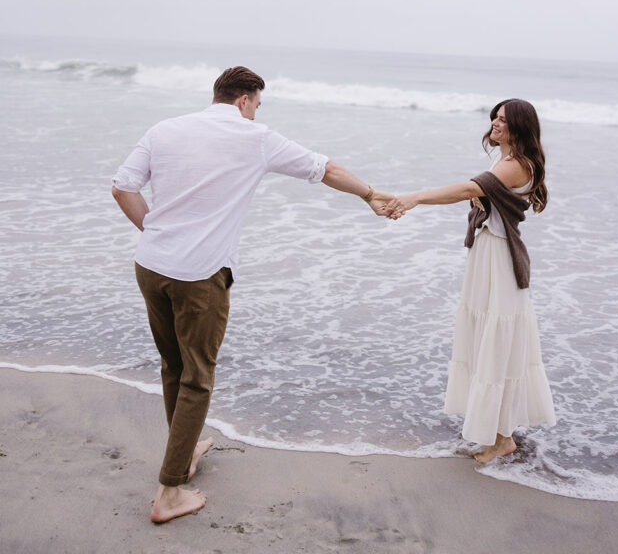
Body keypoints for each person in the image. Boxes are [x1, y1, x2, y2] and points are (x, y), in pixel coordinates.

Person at [111, 65, 396, 523]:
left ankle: (180, 456)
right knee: (198, 377)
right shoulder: (255, 137)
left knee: (174, 365)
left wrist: (155, 230)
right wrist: (369, 194)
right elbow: (326, 169)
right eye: (257, 105)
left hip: (151, 265)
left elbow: (122, 187)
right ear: (246, 99)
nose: (255, 113)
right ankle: (169, 493)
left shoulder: (165, 129)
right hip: (199, 275)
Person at [385, 99, 555, 464]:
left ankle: (503, 439)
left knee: (498, 345)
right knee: (487, 342)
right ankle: (498, 433)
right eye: (495, 115)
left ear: (520, 127)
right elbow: (483, 199)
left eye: (504, 120)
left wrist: (414, 198)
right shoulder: (503, 160)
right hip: (488, 254)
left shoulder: (515, 165)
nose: (496, 122)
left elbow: (467, 190)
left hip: (500, 259)